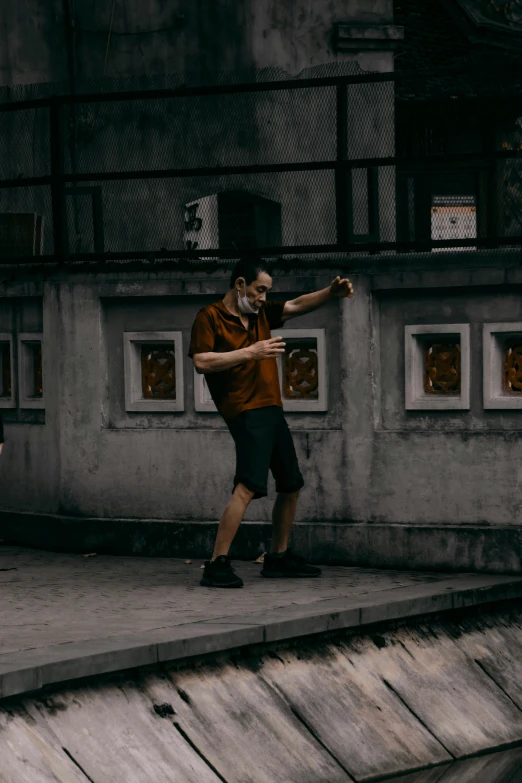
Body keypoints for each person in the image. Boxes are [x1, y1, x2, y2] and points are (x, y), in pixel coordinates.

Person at [188, 257, 354, 588]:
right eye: (260, 290)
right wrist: (251, 351)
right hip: (245, 410)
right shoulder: (210, 317)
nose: (264, 297)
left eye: (267, 291)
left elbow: (294, 306)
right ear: (239, 286)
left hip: (271, 408)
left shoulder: (261, 313)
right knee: (248, 486)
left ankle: (278, 557)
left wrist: (331, 293)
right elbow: (202, 361)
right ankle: (216, 563)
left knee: (291, 483)